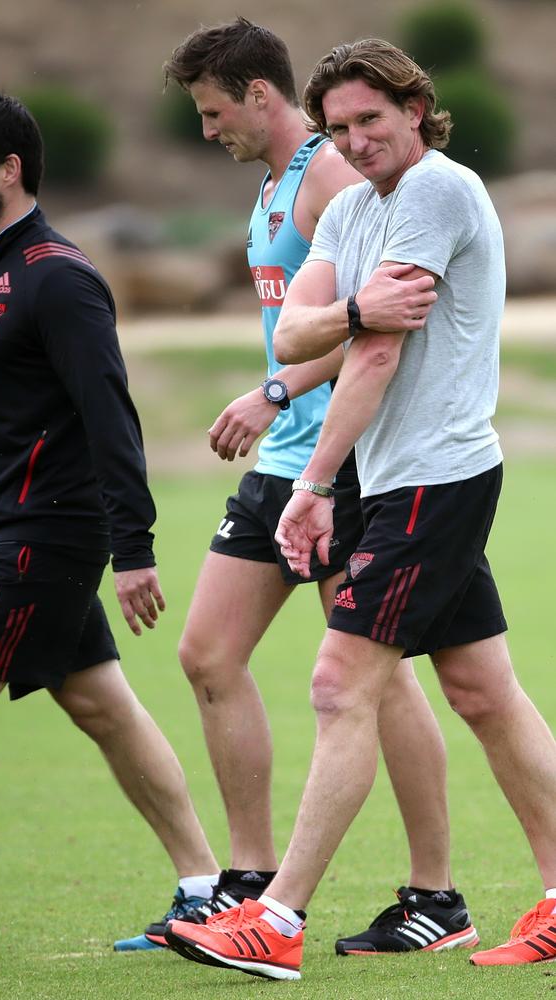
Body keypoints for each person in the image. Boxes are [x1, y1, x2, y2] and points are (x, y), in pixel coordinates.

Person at [164, 38, 556, 978]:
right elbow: (295, 329)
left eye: (371, 120)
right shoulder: (351, 204)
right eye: (340, 126)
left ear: (415, 109)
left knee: (341, 683)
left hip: (434, 478)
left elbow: (374, 353)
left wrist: (309, 484)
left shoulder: (436, 191)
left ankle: (278, 917)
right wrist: (344, 317)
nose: (357, 140)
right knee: (482, 693)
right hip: (391, 479)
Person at [118, 19, 473, 957]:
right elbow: (305, 322)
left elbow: (375, 326)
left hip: (345, 465)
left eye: (213, 111)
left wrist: (277, 391)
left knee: (373, 680)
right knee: (208, 654)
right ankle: (244, 881)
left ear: (259, 95)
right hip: (285, 464)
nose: (207, 131)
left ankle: (435, 891)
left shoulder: (333, 176)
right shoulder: (274, 188)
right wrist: (277, 389)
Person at [0, 90, 222, 941]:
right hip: (12, 529)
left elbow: (110, 416)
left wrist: (136, 550)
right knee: (100, 704)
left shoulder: (62, 278)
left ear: (9, 170)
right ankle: (206, 888)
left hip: (44, 534)